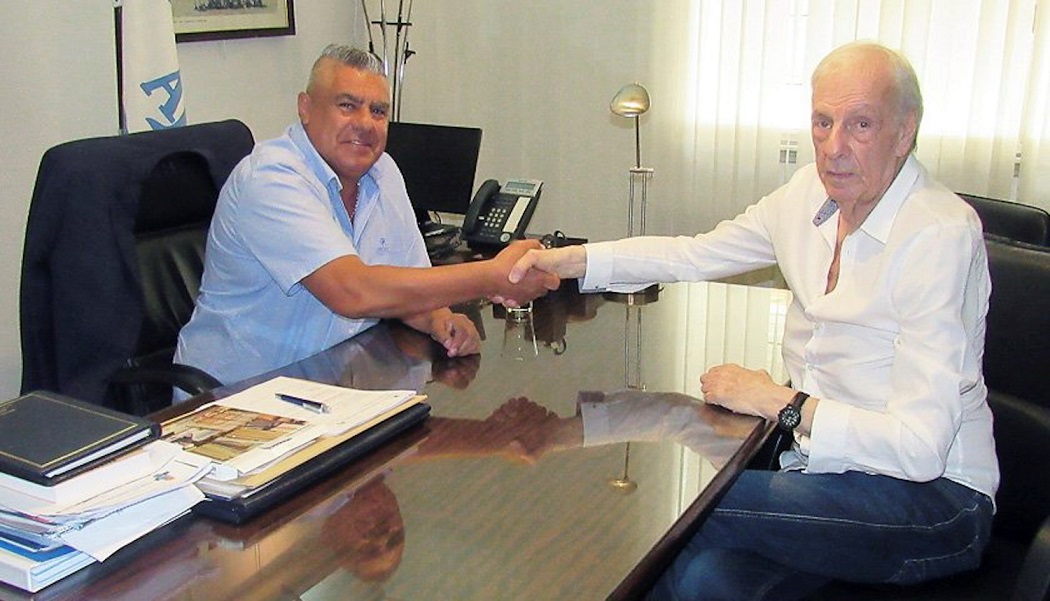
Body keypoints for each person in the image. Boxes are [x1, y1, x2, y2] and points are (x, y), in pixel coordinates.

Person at [507, 41, 998, 599]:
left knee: (693, 510)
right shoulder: (808, 195)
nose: (834, 148)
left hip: (934, 503)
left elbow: (919, 449)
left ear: (904, 131)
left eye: (861, 125)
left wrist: (778, 402)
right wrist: (566, 262)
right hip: (820, 481)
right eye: (822, 122)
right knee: (704, 582)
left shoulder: (937, 234)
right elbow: (692, 254)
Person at [175, 44, 557, 390]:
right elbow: (353, 292)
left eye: (378, 111)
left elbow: (408, 279)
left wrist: (437, 318)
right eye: (347, 105)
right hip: (236, 400)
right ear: (305, 108)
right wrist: (492, 274)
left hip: (329, 389)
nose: (364, 123)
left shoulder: (382, 171)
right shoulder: (272, 178)